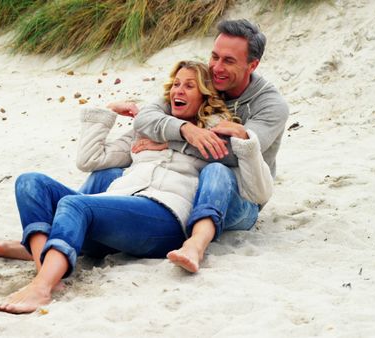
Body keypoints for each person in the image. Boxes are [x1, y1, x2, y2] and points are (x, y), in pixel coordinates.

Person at [0, 60, 256, 314]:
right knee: (30, 182)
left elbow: (236, 167)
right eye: (176, 84)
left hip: (164, 216)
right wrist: (108, 112)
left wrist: (178, 143)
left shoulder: (213, 135)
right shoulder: (150, 127)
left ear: (205, 95)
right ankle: (46, 265)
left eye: (189, 85)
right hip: (119, 209)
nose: (178, 90)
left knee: (75, 204)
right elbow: (91, 160)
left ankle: (41, 286)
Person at [105, 19, 289, 272]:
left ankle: (195, 245)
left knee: (217, 171)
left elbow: (235, 154)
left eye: (228, 61)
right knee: (111, 172)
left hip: (241, 197)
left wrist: (169, 142)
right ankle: (60, 229)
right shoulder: (205, 79)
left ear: (252, 65)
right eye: (214, 57)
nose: (216, 67)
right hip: (187, 182)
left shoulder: (270, 105)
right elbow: (147, 116)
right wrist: (185, 129)